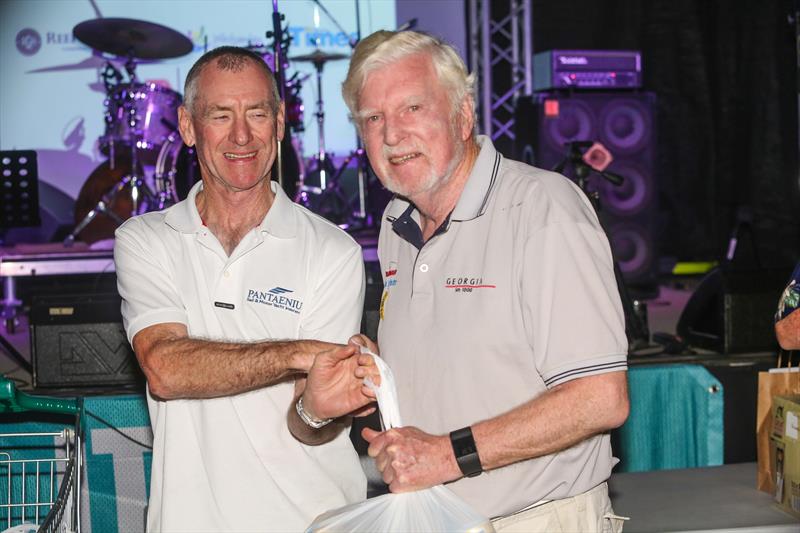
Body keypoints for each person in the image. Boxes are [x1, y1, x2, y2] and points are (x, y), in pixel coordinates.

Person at [342, 31, 631, 531]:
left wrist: (445, 455)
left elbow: (600, 397)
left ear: (463, 114)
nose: (391, 134)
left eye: (412, 108)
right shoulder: (395, 225)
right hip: (437, 518)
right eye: (373, 118)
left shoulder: (543, 209)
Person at [114, 46, 373, 532]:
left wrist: (320, 408)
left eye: (257, 114)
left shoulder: (331, 251)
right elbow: (165, 369)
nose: (241, 136)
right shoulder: (146, 240)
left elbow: (308, 422)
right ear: (188, 127)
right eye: (220, 115)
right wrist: (301, 352)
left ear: (279, 124)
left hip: (312, 523)